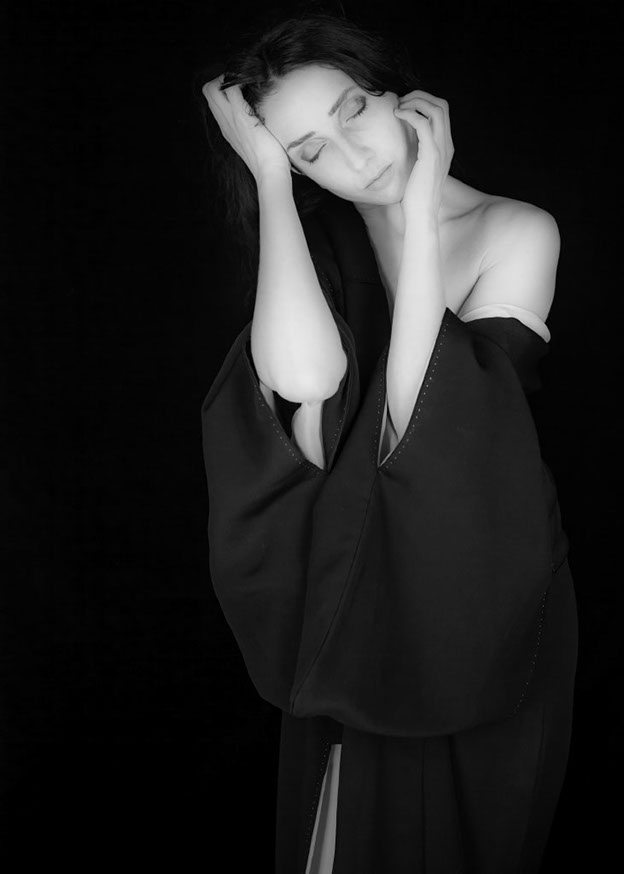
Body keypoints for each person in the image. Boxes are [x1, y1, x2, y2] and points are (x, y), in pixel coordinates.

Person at [197, 11, 577, 874]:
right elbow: (303, 382)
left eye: (354, 111)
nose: (355, 155)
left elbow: (420, 423)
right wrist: (269, 179)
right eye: (310, 152)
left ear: (395, 93)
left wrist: (421, 208)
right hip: (348, 582)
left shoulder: (517, 230)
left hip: (475, 587)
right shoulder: (314, 247)